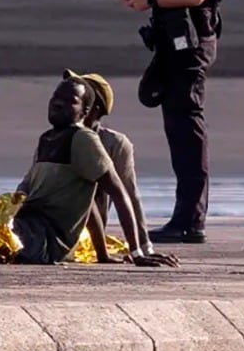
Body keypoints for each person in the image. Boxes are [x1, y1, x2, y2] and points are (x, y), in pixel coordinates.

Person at [120, 0, 227, 244]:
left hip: (191, 42)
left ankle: (190, 221)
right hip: (176, 39)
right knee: (178, 126)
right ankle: (185, 217)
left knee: (187, 127)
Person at [12, 77, 175, 267]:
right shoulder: (47, 139)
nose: (58, 103)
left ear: (87, 110)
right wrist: (102, 254)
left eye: (70, 100)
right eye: (55, 97)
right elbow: (86, 202)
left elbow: (121, 193)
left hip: (43, 239)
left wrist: (138, 252)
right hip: (29, 226)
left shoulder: (85, 139)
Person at [64, 70, 153, 254]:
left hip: (84, 235)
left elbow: (129, 195)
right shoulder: (54, 137)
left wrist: (144, 248)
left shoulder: (114, 144)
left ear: (92, 107)